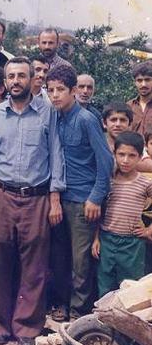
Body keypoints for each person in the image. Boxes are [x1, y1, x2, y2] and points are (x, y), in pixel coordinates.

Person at [0, 57, 65, 345]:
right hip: (2, 194)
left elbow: (56, 155)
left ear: (31, 79)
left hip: (37, 197)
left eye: (21, 76)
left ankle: (27, 328)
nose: (16, 81)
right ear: (5, 81)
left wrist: (55, 198)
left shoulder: (47, 113)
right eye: (11, 76)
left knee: (34, 265)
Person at [46, 64, 113, 320]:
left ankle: (79, 312)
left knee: (81, 261)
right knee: (59, 257)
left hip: (83, 201)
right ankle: (61, 304)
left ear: (73, 91)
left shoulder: (86, 119)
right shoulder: (55, 118)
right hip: (59, 198)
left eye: (60, 90)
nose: (55, 95)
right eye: (50, 90)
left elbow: (105, 161)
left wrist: (95, 197)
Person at [92, 132, 152, 296]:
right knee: (105, 284)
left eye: (132, 155)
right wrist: (96, 238)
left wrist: (148, 230)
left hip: (132, 243)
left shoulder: (145, 183)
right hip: (107, 239)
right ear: (114, 154)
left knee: (130, 288)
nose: (125, 160)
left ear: (140, 157)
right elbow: (100, 210)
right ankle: (103, 313)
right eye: (121, 154)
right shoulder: (107, 181)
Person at [127, 60, 152, 136]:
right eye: (139, 80)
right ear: (135, 82)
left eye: (147, 80)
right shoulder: (128, 106)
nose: (143, 84)